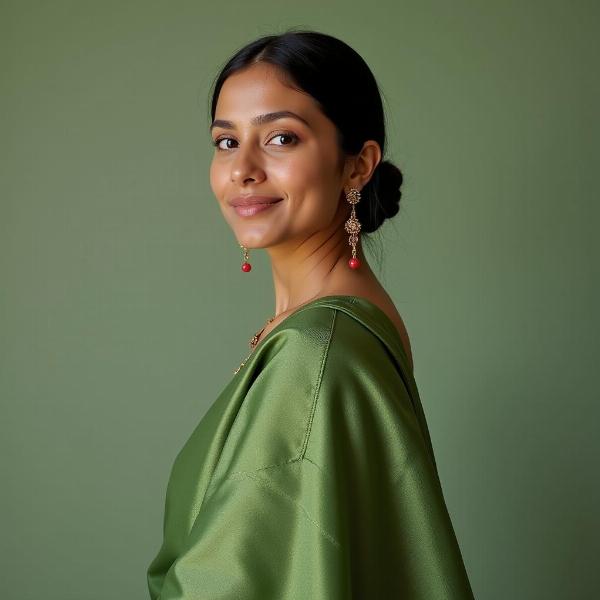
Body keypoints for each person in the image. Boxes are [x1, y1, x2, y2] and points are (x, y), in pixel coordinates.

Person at [147, 29, 475, 599]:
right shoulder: (342, 326)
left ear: (357, 165)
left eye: (280, 138)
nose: (242, 169)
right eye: (226, 143)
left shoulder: (315, 348)